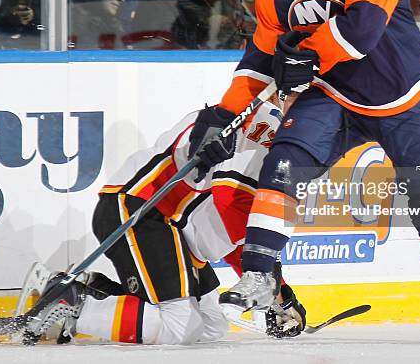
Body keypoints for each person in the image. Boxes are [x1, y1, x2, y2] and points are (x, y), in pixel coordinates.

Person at [187, 0, 420, 338]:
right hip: (333, 97)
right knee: (283, 164)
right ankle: (260, 273)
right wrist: (221, 117)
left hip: (407, 98)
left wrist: (308, 54)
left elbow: (362, 28)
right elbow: (259, 64)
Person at [22, 98, 306, 345]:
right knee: (180, 325)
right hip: (144, 209)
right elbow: (230, 205)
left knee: (211, 325)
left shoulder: (255, 117)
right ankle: (73, 307)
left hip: (168, 223)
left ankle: (87, 289)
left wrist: (274, 288)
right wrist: (270, 284)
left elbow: (232, 224)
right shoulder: (268, 128)